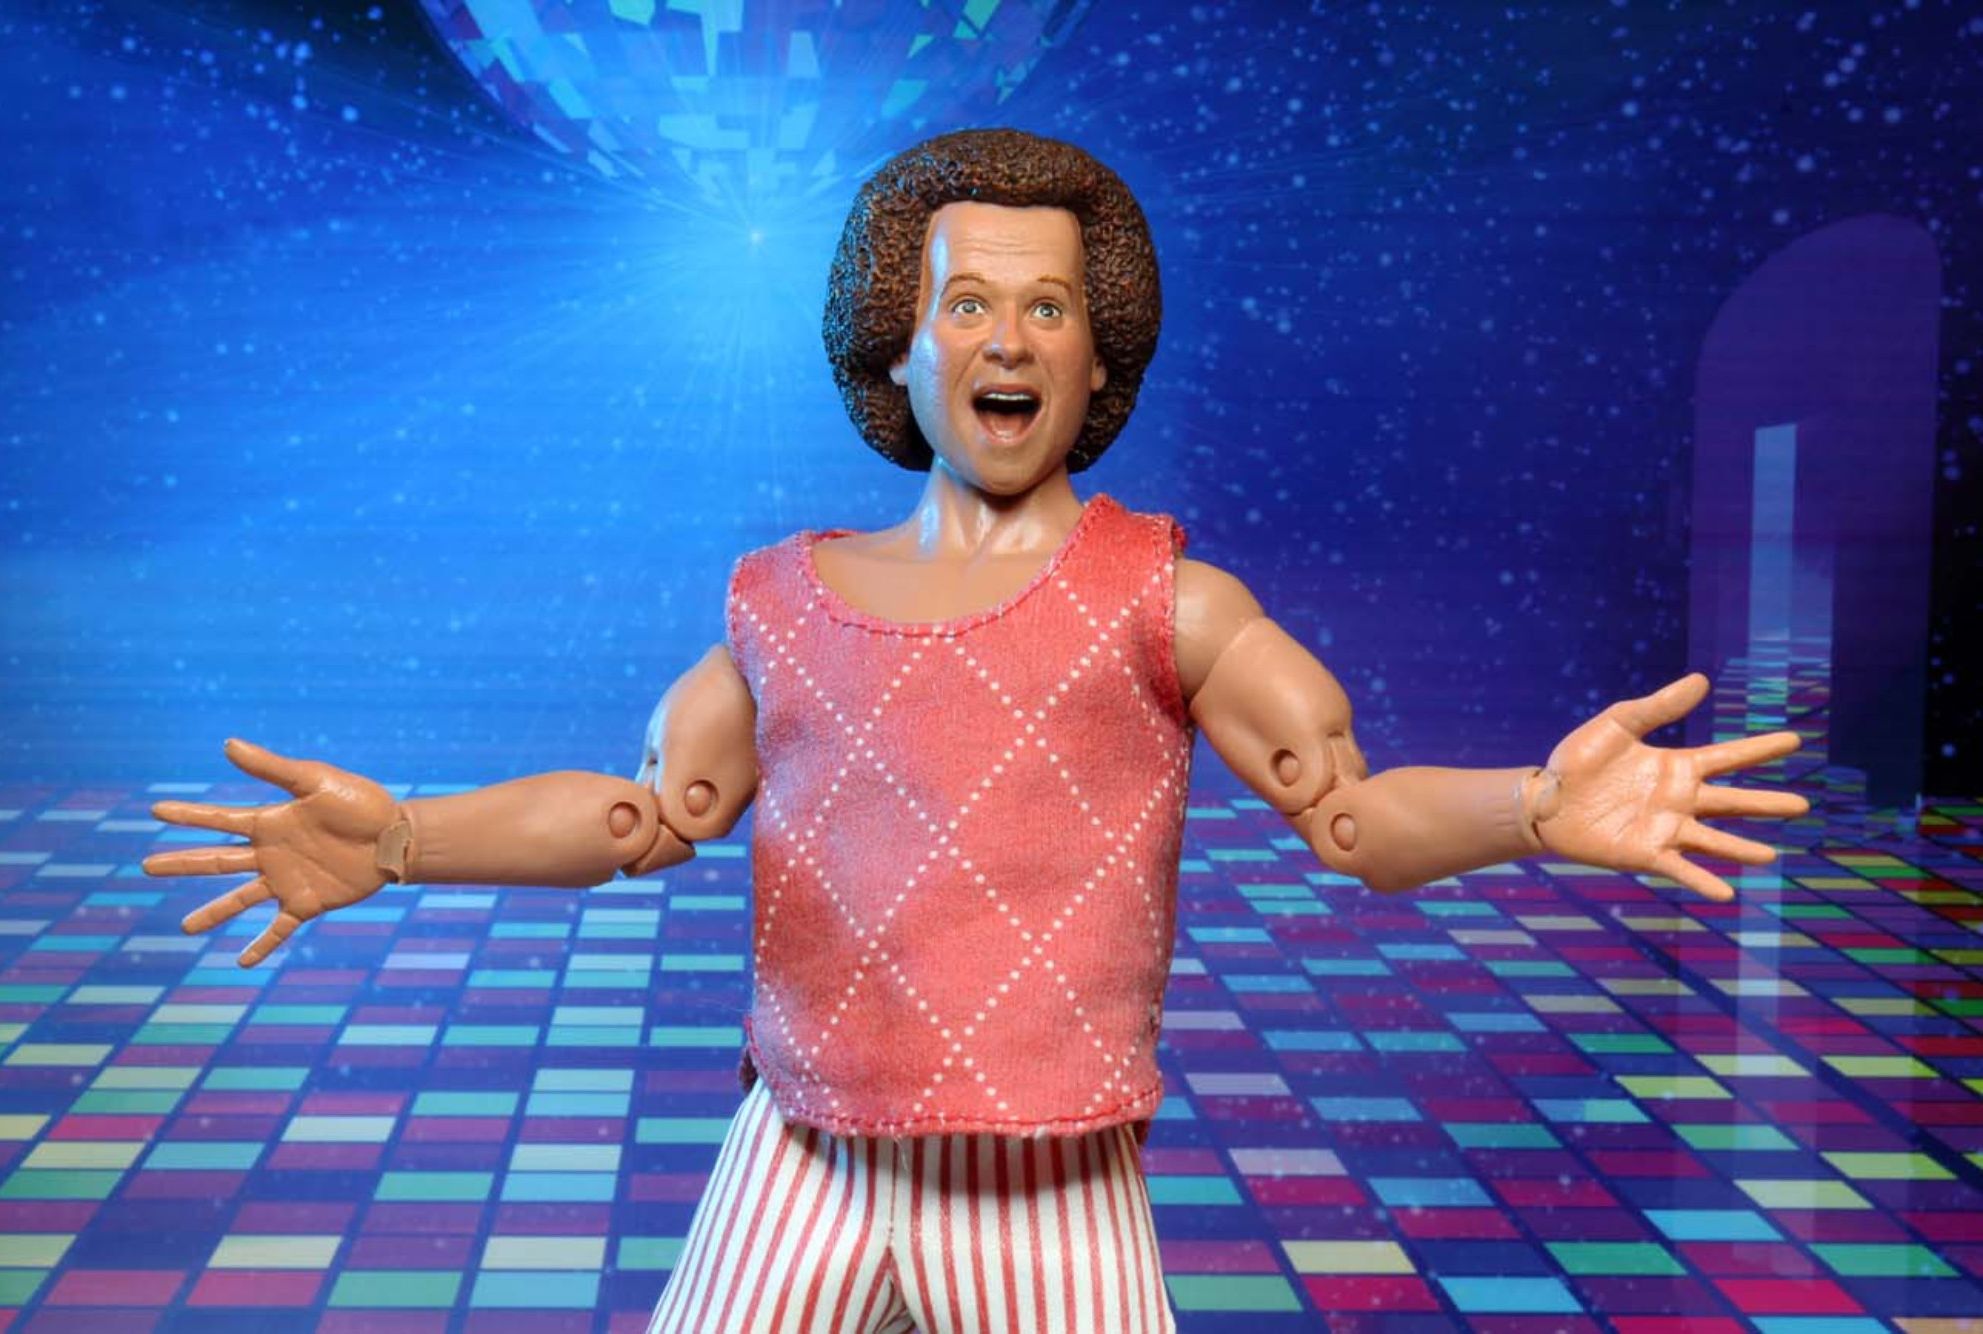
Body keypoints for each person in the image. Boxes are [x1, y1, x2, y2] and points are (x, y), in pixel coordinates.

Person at [146, 129, 1808, 1333]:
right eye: (967, 303)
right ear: (900, 339)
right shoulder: (782, 601)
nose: (1009, 339)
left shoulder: (1170, 602)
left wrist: (1535, 805)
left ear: (1099, 353)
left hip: (1052, 1179)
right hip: (797, 1154)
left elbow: (1352, 819)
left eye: (1050, 307)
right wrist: (403, 839)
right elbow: (646, 816)